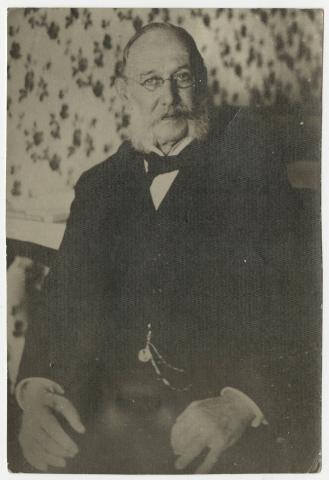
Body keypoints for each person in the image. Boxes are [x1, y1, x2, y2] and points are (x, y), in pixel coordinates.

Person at [14, 22, 320, 474]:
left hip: (212, 406)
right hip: (107, 407)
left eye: (182, 78)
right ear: (125, 92)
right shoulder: (99, 185)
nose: (170, 96)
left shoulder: (251, 159)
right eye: (152, 81)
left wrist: (242, 403)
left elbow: (299, 300)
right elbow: (63, 299)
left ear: (201, 84)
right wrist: (37, 391)